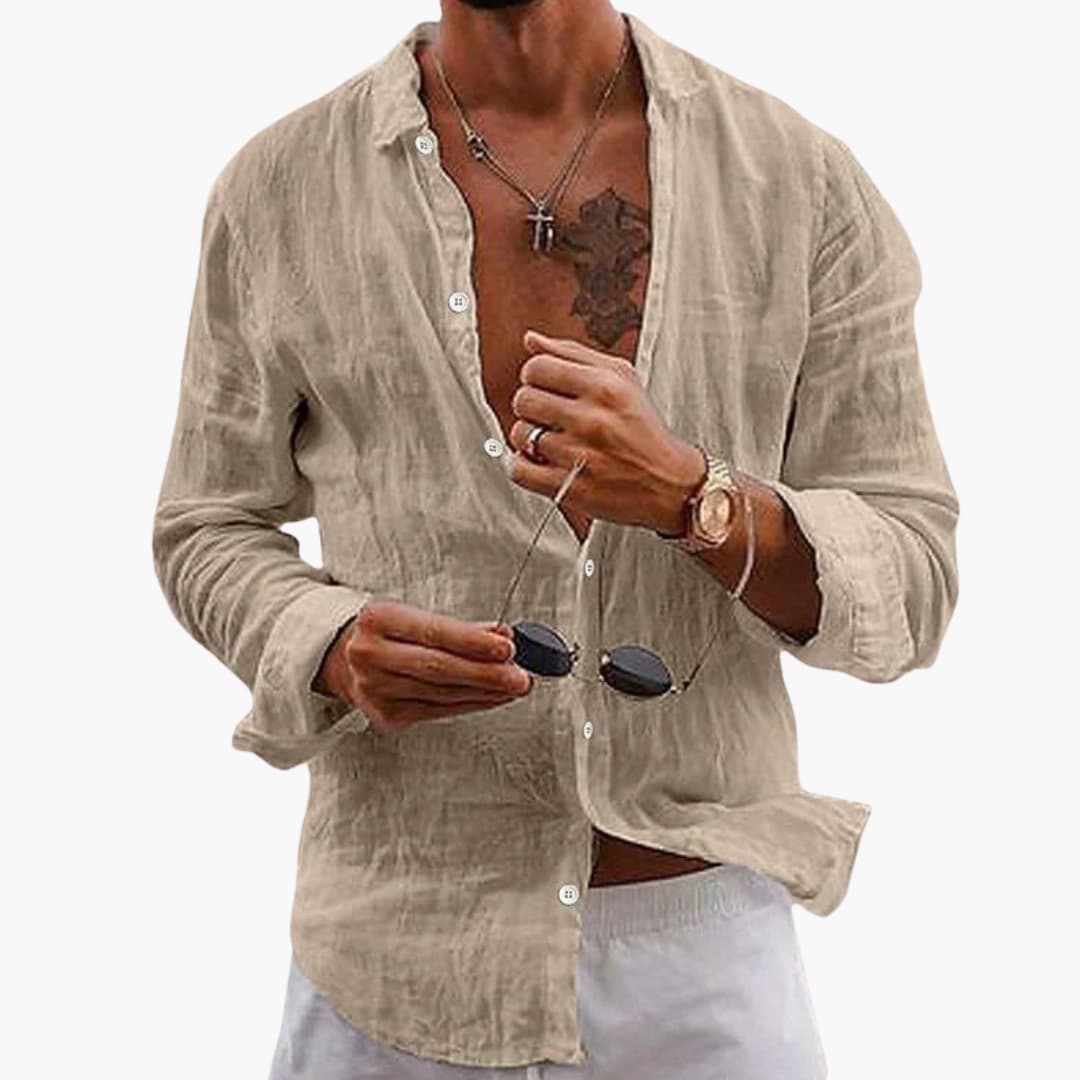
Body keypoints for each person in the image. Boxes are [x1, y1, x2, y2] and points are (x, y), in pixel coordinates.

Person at [151, 1, 960, 1077]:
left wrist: (695, 498)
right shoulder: (280, 189)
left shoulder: (796, 181)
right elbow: (206, 522)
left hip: (700, 956)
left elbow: (914, 573)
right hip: (394, 956)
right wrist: (328, 644)